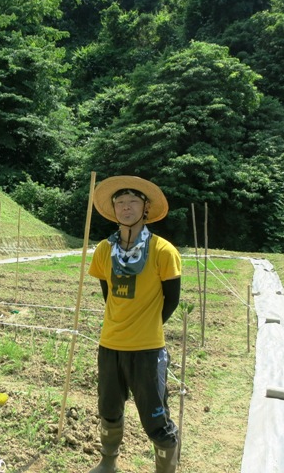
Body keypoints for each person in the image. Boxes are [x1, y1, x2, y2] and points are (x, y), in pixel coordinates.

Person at [87, 175, 181, 473]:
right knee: (109, 411)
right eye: (120, 202)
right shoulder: (104, 250)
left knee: (156, 421)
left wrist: (146, 325)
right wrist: (122, 322)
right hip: (109, 346)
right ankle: (108, 461)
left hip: (147, 350)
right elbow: (109, 294)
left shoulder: (164, 251)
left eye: (132, 202)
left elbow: (172, 299)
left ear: (146, 208)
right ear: (113, 210)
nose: (125, 208)